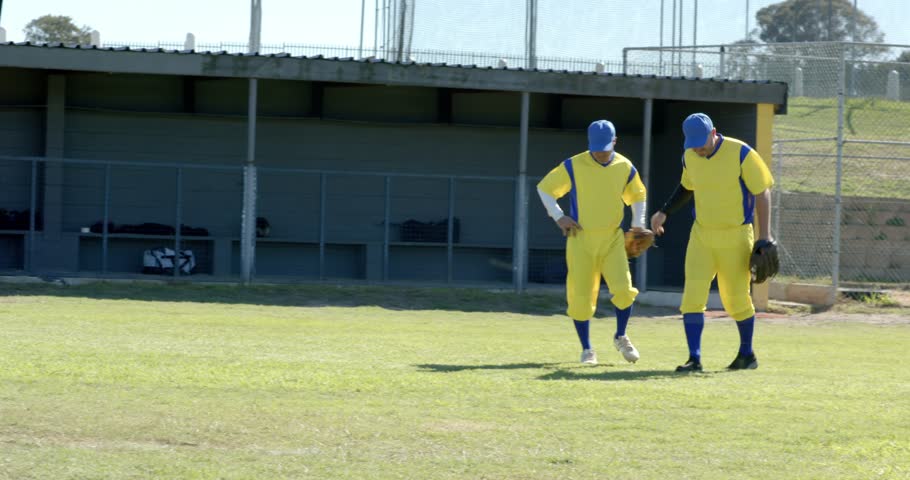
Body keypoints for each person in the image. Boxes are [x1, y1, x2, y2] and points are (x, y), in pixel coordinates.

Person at [650, 113, 774, 372]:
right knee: (692, 297)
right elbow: (687, 187)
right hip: (702, 235)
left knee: (736, 299)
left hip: (736, 235)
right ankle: (694, 359)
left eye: (702, 142)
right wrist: (664, 212)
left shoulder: (741, 153)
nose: (699, 148)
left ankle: (746, 354)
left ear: (714, 132)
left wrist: (765, 237)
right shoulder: (690, 156)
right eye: (693, 143)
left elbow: (762, 193)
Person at [537, 120, 648, 365]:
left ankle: (621, 336)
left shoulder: (625, 166)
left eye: (605, 147)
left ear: (615, 142)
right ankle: (587, 350)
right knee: (581, 296)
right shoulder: (573, 165)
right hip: (580, 239)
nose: (600, 152)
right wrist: (558, 216)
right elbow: (545, 189)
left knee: (624, 288)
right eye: (596, 147)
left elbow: (638, 195)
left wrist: (638, 223)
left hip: (612, 239)